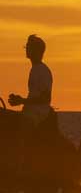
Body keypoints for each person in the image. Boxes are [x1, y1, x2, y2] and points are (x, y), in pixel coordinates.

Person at [5, 35, 54, 172]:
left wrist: (22, 100)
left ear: (37, 51)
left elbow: (45, 98)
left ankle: (19, 166)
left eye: (29, 47)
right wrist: (20, 100)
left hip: (38, 112)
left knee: (22, 129)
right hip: (31, 109)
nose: (26, 50)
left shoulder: (43, 71)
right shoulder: (35, 69)